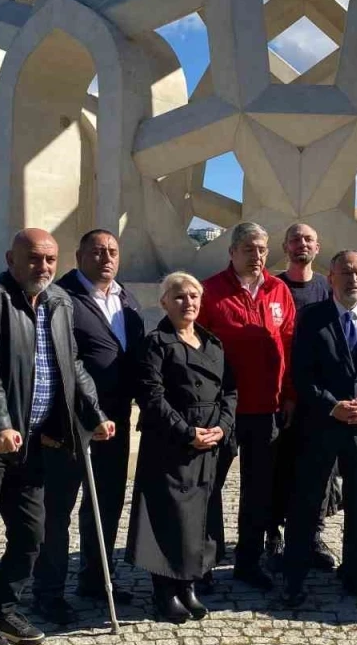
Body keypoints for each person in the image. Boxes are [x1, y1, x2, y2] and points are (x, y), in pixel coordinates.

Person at [0, 228, 114, 645]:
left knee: (32, 533)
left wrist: (94, 414)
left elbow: (71, 363)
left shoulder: (60, 302)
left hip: (35, 442)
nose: (43, 268)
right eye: (35, 259)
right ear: (11, 258)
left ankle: (4, 605)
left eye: (50, 260)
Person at [32, 229, 146, 622]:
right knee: (58, 506)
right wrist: (89, 411)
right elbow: (66, 359)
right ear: (79, 256)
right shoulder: (59, 297)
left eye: (113, 251)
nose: (106, 258)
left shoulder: (124, 297)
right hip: (69, 420)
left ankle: (96, 578)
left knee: (108, 502)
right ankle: (48, 591)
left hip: (115, 419)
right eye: (97, 251)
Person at [284, 250, 357, 606]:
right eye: (346, 273)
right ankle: (294, 580)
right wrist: (332, 406)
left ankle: (355, 574)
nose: (355, 280)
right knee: (307, 504)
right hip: (321, 427)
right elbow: (301, 375)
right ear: (330, 278)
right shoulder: (310, 318)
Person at [126, 272, 237, 623]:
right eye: (178, 296)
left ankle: (189, 584)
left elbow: (230, 392)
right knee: (168, 516)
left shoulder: (213, 343)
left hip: (209, 443)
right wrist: (186, 431)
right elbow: (151, 395)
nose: (187, 302)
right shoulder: (156, 343)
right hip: (171, 442)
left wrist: (222, 427)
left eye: (193, 296)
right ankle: (164, 590)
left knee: (199, 517)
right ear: (164, 303)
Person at [199, 222, 296, 592]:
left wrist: (290, 396)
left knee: (258, 490)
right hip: (222, 409)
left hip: (266, 408)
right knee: (211, 487)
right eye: (249, 249)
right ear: (232, 252)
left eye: (262, 249)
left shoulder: (278, 290)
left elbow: (288, 346)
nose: (257, 256)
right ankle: (204, 562)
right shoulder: (211, 291)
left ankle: (249, 561)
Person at [271, 222, 338, 572]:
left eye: (309, 239)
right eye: (295, 239)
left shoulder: (328, 288)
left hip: (317, 398)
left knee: (319, 471)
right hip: (278, 395)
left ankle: (313, 533)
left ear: (318, 246)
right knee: (276, 467)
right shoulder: (271, 286)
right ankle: (274, 534)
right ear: (285, 246)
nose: (302, 244)